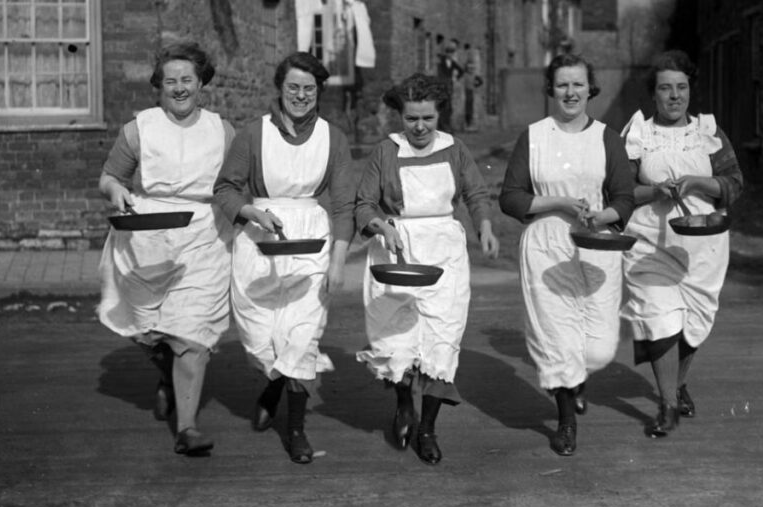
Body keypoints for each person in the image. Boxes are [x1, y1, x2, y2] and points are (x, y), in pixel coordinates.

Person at [213, 52, 354, 465]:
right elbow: (225, 189)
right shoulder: (253, 133)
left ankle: (295, 431)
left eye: (309, 89)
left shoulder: (334, 137)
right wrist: (250, 212)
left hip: (311, 240)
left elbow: (344, 205)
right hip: (258, 240)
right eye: (293, 87)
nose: (300, 96)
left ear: (319, 93)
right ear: (280, 88)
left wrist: (339, 261)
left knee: (302, 336)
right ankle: (272, 385)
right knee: (261, 337)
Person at [97, 41, 234, 456]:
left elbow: (236, 184)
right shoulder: (140, 129)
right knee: (146, 328)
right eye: (170, 80)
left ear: (201, 84)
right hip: (147, 236)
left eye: (187, 80)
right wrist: (117, 191)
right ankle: (167, 375)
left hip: (204, 237)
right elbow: (109, 178)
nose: (179, 88)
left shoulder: (221, 131)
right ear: (159, 86)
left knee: (192, 334)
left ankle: (187, 428)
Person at [355, 73, 499, 465]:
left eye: (428, 119)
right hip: (395, 248)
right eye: (411, 119)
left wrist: (484, 225)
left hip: (444, 252)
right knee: (396, 336)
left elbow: (475, 192)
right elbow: (364, 204)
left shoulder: (455, 149)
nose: (419, 127)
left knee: (442, 338)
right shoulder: (386, 151)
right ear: (400, 117)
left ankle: (428, 428)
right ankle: (404, 404)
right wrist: (382, 226)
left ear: (440, 117)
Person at [499, 53, 635, 456]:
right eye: (562, 85)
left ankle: (577, 380)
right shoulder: (535, 135)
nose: (570, 92)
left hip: (598, 243)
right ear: (551, 90)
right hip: (546, 243)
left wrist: (602, 214)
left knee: (598, 347)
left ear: (590, 89)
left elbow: (625, 197)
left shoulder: (607, 138)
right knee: (557, 335)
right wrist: (557, 202)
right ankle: (566, 421)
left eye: (578, 84)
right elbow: (511, 197)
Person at [620, 50, 744, 437]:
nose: (674, 96)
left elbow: (734, 183)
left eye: (682, 87)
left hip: (703, 244)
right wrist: (653, 191)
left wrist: (697, 183)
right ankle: (667, 406)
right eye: (665, 88)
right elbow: (620, 190)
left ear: (690, 90)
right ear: (653, 94)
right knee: (659, 318)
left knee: (693, 322)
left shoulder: (707, 132)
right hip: (648, 241)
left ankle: (677, 383)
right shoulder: (638, 133)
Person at [435, 38, 464, 132]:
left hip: (449, 86)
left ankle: (447, 125)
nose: (450, 55)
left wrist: (456, 78)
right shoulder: (441, 61)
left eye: (452, 53)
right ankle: (442, 126)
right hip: (442, 85)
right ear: (446, 53)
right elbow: (439, 71)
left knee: (449, 106)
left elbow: (461, 71)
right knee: (442, 105)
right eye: (448, 53)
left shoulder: (453, 63)